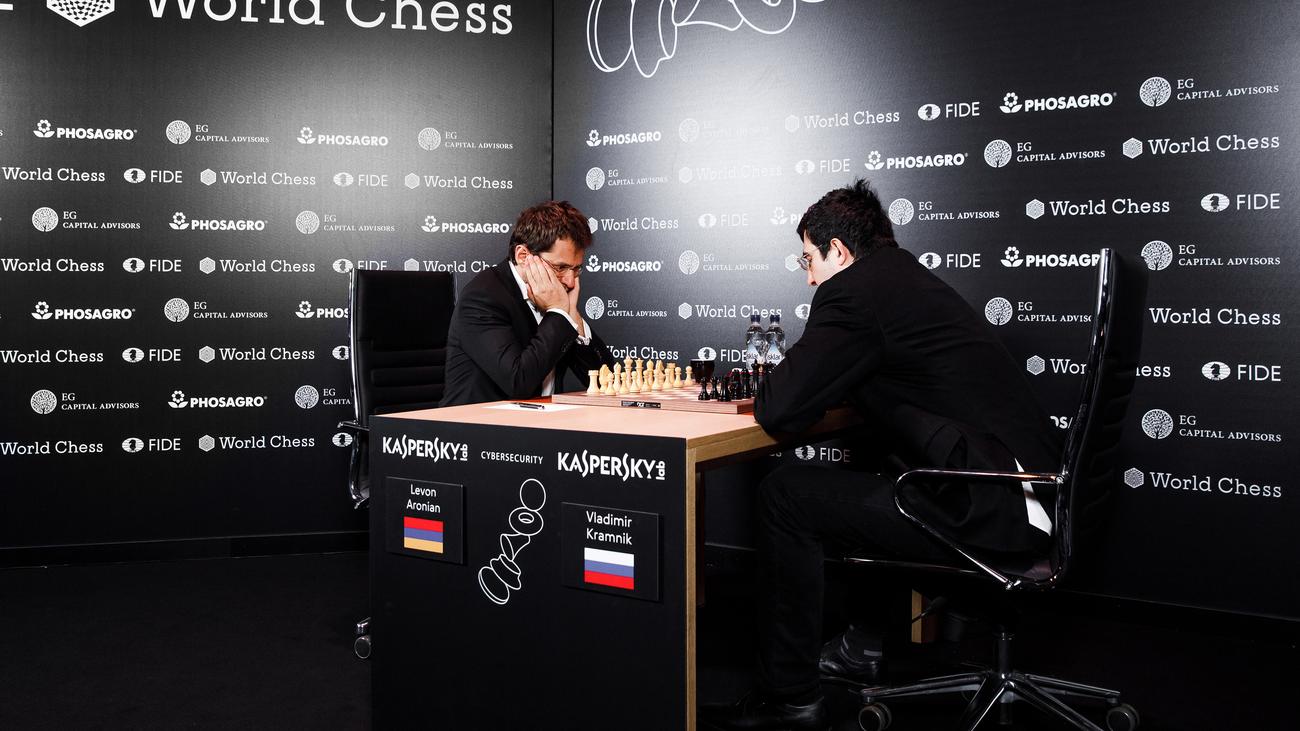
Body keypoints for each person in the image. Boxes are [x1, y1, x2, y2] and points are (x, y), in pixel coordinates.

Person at [706, 180, 1060, 730]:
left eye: (808, 260)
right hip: (1029, 492)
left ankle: (790, 699)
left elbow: (778, 406)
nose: (808, 277)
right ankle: (860, 646)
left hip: (990, 507)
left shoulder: (855, 292)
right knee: (871, 464)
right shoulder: (903, 279)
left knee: (785, 494)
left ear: (839, 252)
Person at [440, 200, 614, 407]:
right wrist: (558, 313)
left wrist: (572, 315)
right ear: (523, 256)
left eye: (576, 269)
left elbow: (607, 382)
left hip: (544, 421)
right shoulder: (482, 297)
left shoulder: (557, 297)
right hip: (479, 423)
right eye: (560, 267)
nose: (570, 281)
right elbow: (518, 382)